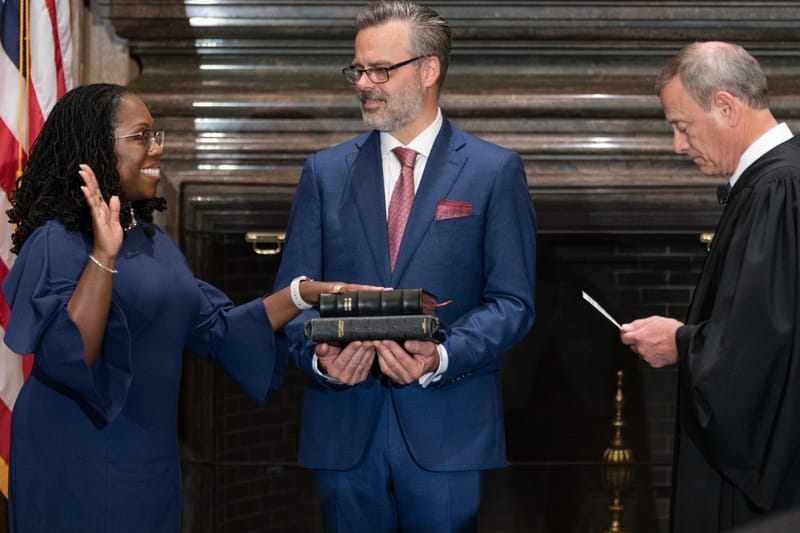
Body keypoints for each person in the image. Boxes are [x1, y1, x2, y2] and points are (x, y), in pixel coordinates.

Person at [2, 83, 372, 533]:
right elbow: (71, 356)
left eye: (157, 136)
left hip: (150, 458)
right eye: (142, 136)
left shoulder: (152, 241)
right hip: (74, 450)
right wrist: (104, 254)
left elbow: (219, 329)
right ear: (99, 147)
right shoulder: (55, 241)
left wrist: (303, 294)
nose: (157, 149)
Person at [273, 1, 537, 531]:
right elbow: (293, 299)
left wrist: (440, 355)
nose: (364, 83)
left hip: (448, 430)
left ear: (429, 69)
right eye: (358, 70)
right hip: (344, 431)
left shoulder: (494, 171)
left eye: (380, 70)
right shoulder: (324, 173)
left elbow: (514, 303)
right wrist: (321, 359)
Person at [620, 42, 800, 531]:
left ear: (725, 106)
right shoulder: (777, 181)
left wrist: (679, 343)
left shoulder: (776, 189)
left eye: (682, 126)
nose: (679, 145)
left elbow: (761, 347)